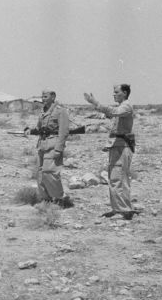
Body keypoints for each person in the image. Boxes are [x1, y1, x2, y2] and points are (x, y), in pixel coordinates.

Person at [84, 84, 137, 220]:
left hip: (122, 147)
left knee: (118, 178)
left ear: (124, 93)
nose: (113, 94)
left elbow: (112, 111)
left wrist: (95, 102)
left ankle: (123, 211)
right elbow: (111, 117)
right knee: (115, 177)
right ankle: (119, 208)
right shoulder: (121, 107)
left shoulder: (126, 106)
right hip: (117, 146)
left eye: (116, 92)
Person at [25, 89, 72, 207]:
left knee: (50, 172)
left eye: (45, 97)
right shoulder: (43, 111)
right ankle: (46, 199)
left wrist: (59, 149)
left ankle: (59, 198)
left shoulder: (60, 111)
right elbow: (39, 128)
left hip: (53, 145)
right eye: (42, 96)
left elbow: (63, 131)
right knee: (40, 174)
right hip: (42, 144)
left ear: (53, 97)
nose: (43, 99)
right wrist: (30, 130)